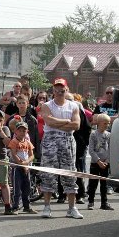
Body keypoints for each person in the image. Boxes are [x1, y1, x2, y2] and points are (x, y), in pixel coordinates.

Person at [39, 78, 83, 219]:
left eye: (62, 88)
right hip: (50, 141)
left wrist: (57, 124)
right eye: (56, 89)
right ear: (53, 90)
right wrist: (65, 121)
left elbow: (76, 125)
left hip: (67, 141)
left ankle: (72, 208)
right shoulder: (47, 105)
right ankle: (47, 207)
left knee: (70, 173)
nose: (59, 91)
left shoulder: (73, 106)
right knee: (48, 173)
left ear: (66, 89)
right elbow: (48, 121)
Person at [8, 121, 37, 214]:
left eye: (24, 131)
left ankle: (27, 206)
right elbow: (14, 154)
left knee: (27, 188)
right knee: (17, 188)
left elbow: (32, 155)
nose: (22, 132)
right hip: (17, 168)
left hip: (26, 168)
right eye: (20, 130)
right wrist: (22, 164)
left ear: (27, 131)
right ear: (16, 131)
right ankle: (15, 207)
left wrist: (26, 163)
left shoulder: (28, 143)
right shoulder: (14, 142)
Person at [86, 113, 114, 211]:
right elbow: (91, 150)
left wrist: (107, 161)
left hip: (105, 163)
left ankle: (104, 202)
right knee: (93, 183)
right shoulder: (93, 134)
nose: (107, 125)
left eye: (108, 123)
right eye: (105, 123)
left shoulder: (109, 135)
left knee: (104, 184)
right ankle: (91, 202)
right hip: (95, 163)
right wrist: (98, 161)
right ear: (99, 123)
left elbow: (111, 149)